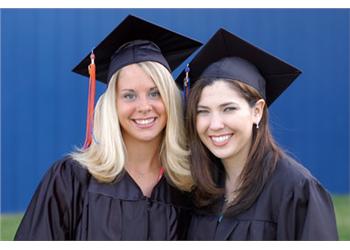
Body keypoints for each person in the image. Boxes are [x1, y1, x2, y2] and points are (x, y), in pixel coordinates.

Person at [14, 15, 201, 240]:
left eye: (155, 93)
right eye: (129, 95)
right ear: (112, 105)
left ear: (170, 99)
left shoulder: (189, 185)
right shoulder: (71, 180)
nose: (144, 106)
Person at [178, 28, 338, 240]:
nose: (215, 124)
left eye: (229, 109)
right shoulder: (198, 188)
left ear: (257, 111)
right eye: (203, 111)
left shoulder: (295, 191)